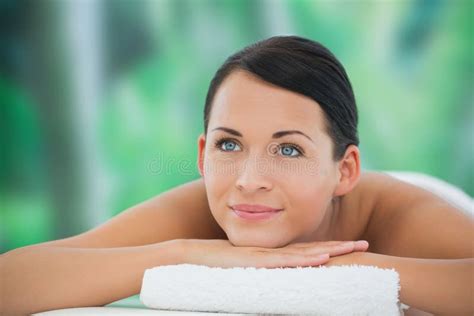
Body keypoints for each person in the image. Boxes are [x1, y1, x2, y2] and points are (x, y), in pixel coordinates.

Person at [1, 36, 472, 316]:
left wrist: (342, 267)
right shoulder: (203, 209)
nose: (249, 178)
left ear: (344, 169)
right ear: (204, 155)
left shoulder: (401, 216)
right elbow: (11, 282)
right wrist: (182, 252)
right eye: (230, 144)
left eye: (288, 149)